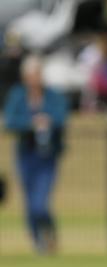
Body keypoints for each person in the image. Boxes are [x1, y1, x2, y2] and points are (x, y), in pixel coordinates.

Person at [4, 55, 68, 254]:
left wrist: (47, 121)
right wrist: (30, 125)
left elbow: (61, 117)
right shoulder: (17, 95)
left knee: (40, 202)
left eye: (37, 74)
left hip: (47, 155)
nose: (34, 78)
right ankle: (38, 241)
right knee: (30, 202)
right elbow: (9, 122)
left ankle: (48, 229)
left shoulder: (53, 96)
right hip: (26, 154)